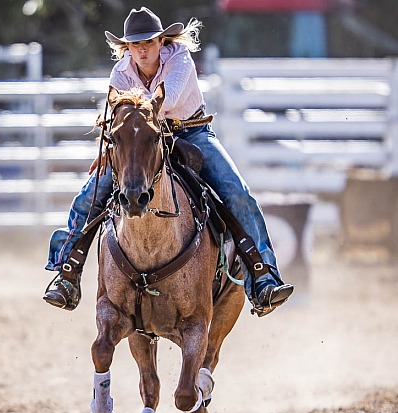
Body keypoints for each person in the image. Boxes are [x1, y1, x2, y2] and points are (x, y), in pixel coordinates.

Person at [44, 6, 294, 317]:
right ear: (127, 48)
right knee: (90, 195)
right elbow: (116, 121)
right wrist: (110, 152)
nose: (143, 50)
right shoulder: (121, 72)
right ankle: (67, 271)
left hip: (192, 132)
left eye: (148, 42)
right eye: (136, 44)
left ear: (162, 42)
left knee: (236, 192)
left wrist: (134, 121)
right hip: (141, 142)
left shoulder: (179, 59)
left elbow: (168, 100)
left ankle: (263, 277)